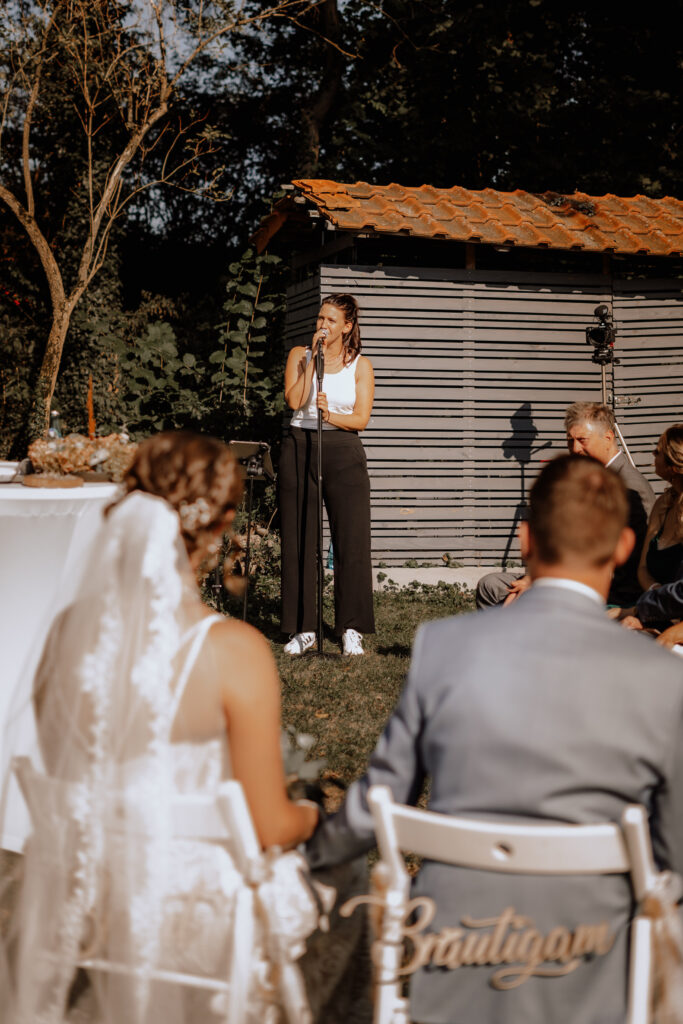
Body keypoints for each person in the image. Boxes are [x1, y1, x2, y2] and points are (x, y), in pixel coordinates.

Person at [307, 454, 683, 1024]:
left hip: (455, 959)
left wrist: (305, 857)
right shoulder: (663, 676)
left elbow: (375, 806)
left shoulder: (443, 646)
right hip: (600, 974)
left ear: (526, 539)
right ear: (626, 547)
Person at [0, 432, 350, 1024]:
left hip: (89, 893)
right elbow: (269, 825)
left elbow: (65, 764)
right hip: (191, 911)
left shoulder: (68, 633)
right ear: (218, 528)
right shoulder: (232, 649)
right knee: (344, 869)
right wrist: (317, 818)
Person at [476, 401, 654, 609]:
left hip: (604, 591)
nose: (575, 449)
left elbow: (627, 568)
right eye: (570, 441)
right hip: (564, 575)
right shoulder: (587, 477)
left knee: (519, 598)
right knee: (491, 586)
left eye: (582, 440)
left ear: (608, 438)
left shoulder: (629, 487)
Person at [280, 293, 375, 656]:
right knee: (300, 537)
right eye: (321, 318)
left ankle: (351, 627)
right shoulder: (299, 356)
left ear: (347, 326)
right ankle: (304, 628)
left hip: (343, 449)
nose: (323, 325)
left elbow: (362, 419)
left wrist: (330, 414)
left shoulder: (361, 366)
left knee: (351, 540)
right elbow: (294, 401)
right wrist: (312, 364)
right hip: (300, 445)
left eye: (331, 321)